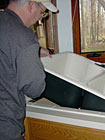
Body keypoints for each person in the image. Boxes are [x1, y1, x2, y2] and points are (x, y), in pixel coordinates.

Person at [0, 0, 58, 139]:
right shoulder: (24, 36)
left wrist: (34, 51)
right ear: (31, 5)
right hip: (5, 124)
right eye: (42, 12)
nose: (40, 18)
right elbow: (34, 89)